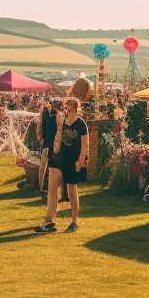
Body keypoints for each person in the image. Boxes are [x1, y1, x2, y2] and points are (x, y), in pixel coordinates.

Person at [36, 97, 89, 234]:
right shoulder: (61, 121)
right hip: (59, 158)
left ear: (74, 107)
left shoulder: (81, 124)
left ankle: (74, 221)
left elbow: (85, 145)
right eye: (66, 105)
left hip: (72, 160)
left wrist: (80, 161)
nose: (66, 108)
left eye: (68, 105)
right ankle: (50, 221)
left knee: (72, 191)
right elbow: (55, 138)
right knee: (52, 188)